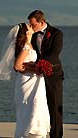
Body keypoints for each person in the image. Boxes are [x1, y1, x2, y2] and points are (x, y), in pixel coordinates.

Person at [0, 23, 50, 138]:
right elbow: (18, 66)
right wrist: (36, 68)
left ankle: (32, 134)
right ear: (26, 32)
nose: (32, 27)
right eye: (29, 27)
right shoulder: (26, 46)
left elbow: (23, 64)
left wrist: (36, 67)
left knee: (36, 108)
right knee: (32, 108)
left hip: (35, 81)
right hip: (28, 82)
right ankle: (30, 134)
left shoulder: (29, 45)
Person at [28, 10, 64, 138]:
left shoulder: (57, 33)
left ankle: (56, 136)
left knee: (54, 106)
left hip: (53, 73)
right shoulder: (31, 35)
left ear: (41, 22)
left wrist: (40, 65)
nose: (31, 27)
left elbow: (54, 53)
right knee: (38, 105)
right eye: (30, 25)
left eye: (33, 25)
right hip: (36, 75)